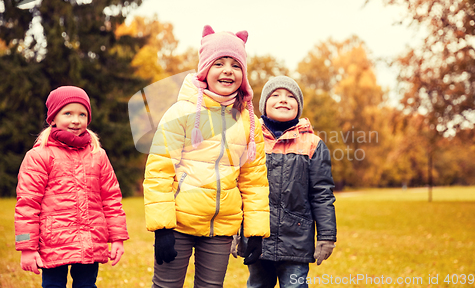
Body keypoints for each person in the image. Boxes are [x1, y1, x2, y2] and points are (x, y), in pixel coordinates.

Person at [143, 25, 270, 288]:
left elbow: (254, 180)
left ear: (243, 74)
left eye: (236, 65)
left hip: (220, 227)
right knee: (166, 285)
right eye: (219, 63)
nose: (227, 70)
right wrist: (163, 227)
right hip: (178, 224)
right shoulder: (182, 112)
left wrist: (255, 230)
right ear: (205, 70)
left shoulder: (250, 122)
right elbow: (159, 170)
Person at [15, 86, 129, 288]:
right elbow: (27, 205)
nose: (76, 120)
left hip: (90, 240)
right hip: (53, 242)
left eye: (82, 114)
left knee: (86, 285)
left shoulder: (98, 155)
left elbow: (111, 198)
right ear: (53, 119)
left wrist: (118, 238)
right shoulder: (39, 156)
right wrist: (26, 247)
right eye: (68, 113)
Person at [233, 76, 337, 288]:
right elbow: (237, 189)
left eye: (291, 96)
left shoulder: (313, 145)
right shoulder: (248, 141)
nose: (283, 100)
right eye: (275, 95)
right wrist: (233, 232)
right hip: (257, 238)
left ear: (298, 106)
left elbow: (322, 194)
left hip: (296, 243)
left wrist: (327, 236)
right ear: (263, 104)